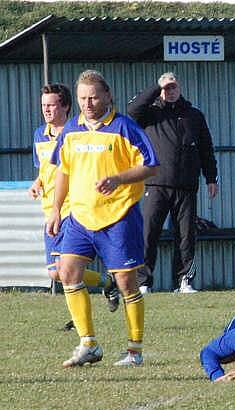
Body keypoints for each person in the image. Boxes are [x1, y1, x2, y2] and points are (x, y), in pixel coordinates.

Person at [47, 70, 159, 367]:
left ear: (108, 95)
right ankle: (88, 344)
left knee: (126, 283)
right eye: (83, 98)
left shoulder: (125, 127)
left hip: (118, 216)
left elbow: (150, 166)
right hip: (80, 216)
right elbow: (64, 171)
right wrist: (57, 208)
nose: (88, 103)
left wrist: (119, 179)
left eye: (94, 97)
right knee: (66, 272)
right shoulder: (71, 130)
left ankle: (135, 351)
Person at [28, 83, 120, 324]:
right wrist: (37, 182)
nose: (46, 110)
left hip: (73, 208)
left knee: (67, 269)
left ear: (66, 106)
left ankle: (82, 326)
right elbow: (47, 169)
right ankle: (107, 282)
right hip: (51, 210)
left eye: (51, 105)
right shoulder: (39, 134)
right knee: (54, 272)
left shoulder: (75, 132)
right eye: (43, 106)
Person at [127, 72, 218, 294]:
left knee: (186, 237)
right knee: (148, 235)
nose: (170, 91)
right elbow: (132, 111)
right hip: (155, 184)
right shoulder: (151, 112)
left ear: (180, 88)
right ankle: (144, 282)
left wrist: (211, 178)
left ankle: (184, 281)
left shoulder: (194, 115)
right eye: (166, 88)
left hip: (186, 186)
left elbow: (206, 148)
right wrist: (156, 87)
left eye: (173, 87)